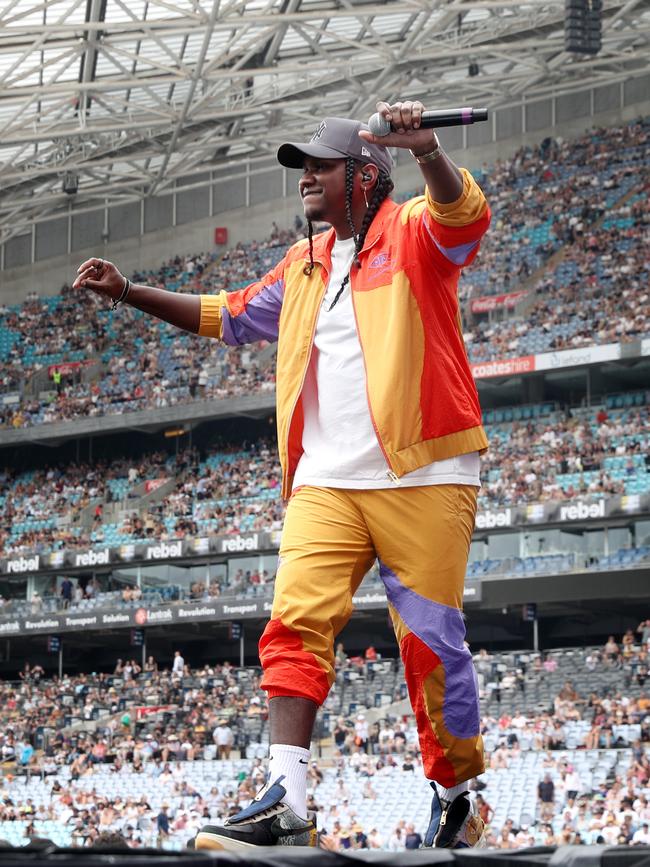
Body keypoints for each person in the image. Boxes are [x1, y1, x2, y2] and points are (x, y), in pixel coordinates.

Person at [73, 98, 490, 852]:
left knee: (432, 645)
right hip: (326, 482)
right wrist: (129, 292)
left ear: (365, 177)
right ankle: (288, 799)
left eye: (320, 165)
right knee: (292, 627)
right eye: (302, 167)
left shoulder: (413, 233)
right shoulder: (304, 264)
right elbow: (227, 314)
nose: (305, 177)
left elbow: (463, 221)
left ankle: (457, 790)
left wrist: (428, 151)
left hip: (425, 475)